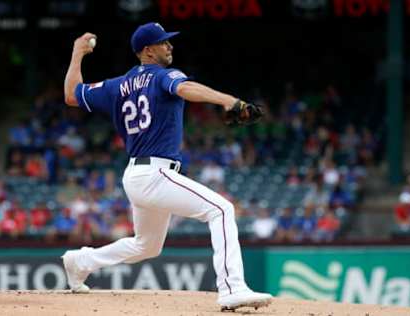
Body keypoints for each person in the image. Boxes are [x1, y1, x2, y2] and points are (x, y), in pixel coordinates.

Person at [61, 22, 271, 311]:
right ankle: (232, 288)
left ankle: (79, 262)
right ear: (147, 51)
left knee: (146, 246)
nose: (170, 45)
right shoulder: (162, 75)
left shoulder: (116, 86)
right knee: (221, 210)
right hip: (155, 173)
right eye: (163, 42)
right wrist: (228, 100)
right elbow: (185, 87)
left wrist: (77, 53)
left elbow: (72, 95)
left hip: (137, 174)